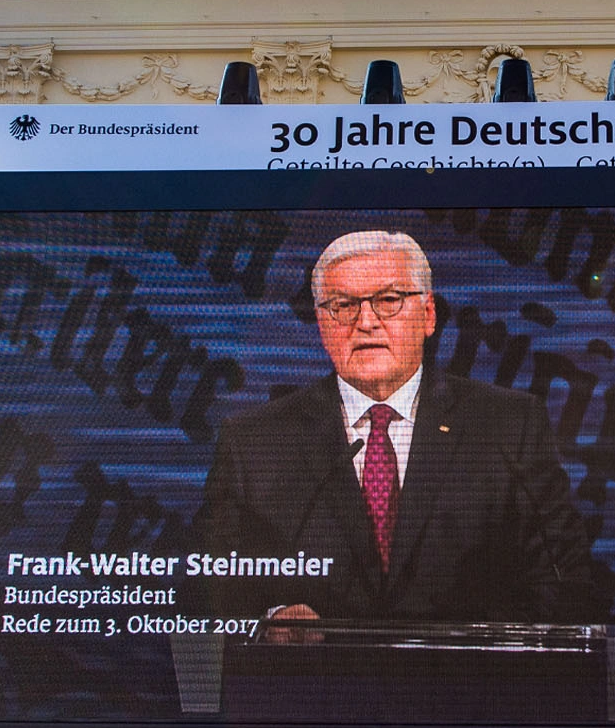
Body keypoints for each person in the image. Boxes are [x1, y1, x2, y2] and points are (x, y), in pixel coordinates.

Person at [196, 230, 594, 623]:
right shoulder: (253, 444)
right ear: (321, 322)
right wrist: (270, 620)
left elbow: (562, 578)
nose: (365, 322)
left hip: (469, 682)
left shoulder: (508, 427)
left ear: (428, 315)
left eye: (388, 300)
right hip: (313, 680)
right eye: (343, 305)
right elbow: (211, 589)